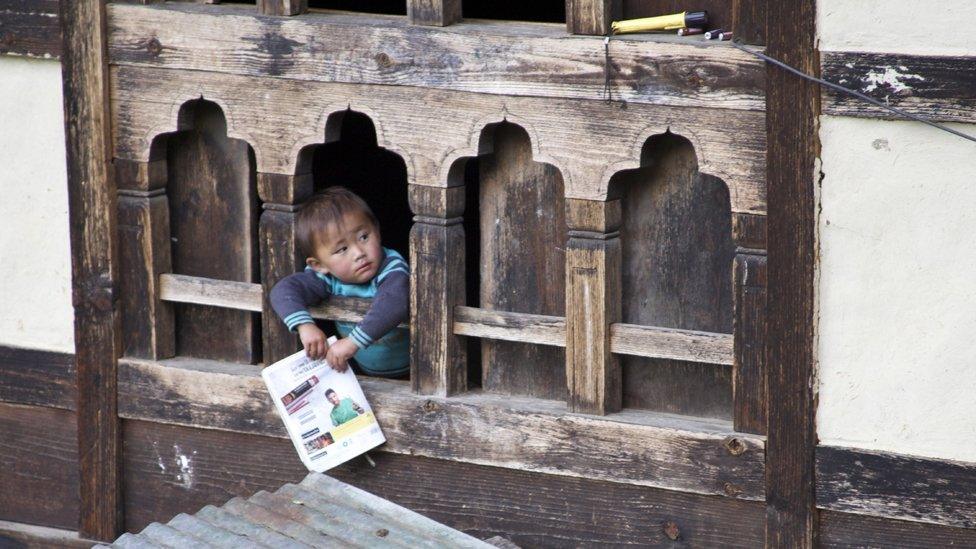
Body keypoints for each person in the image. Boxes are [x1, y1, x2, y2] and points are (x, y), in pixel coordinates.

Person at [270, 187, 410, 377]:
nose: (359, 253)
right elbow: (282, 291)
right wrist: (305, 326)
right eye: (342, 249)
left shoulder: (391, 267)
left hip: (412, 370)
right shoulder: (328, 277)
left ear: (377, 230)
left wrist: (353, 342)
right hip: (361, 371)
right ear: (318, 265)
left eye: (364, 237)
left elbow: (395, 303)